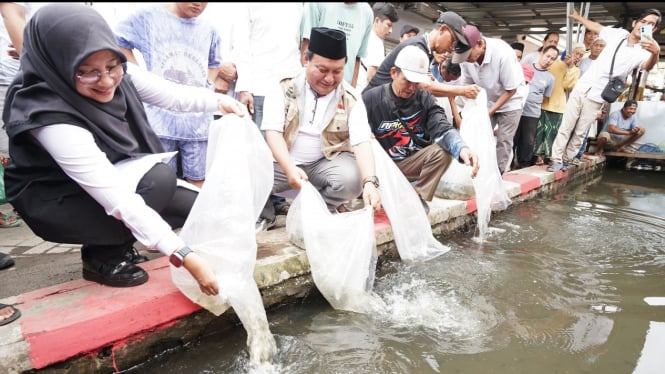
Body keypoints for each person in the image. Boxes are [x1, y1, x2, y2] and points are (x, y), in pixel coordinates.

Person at [2, 4, 248, 291]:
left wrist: (221, 102)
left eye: (111, 67)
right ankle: (102, 257)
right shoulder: (48, 114)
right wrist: (185, 255)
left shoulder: (120, 72)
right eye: (87, 72)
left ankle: (119, 241)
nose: (106, 81)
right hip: (55, 197)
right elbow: (115, 195)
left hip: (102, 178)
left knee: (193, 205)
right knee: (157, 182)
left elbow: (172, 95)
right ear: (58, 63)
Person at [257, 27, 382, 227]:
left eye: (337, 71)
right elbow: (273, 133)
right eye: (322, 70)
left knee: (353, 179)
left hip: (321, 166)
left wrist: (370, 182)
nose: (329, 79)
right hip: (280, 165)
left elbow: (361, 141)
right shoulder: (282, 85)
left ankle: (318, 210)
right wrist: (290, 168)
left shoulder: (350, 98)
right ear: (306, 60)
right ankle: (264, 214)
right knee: (247, 172)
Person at [114, 2, 222, 189]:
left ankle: (194, 217)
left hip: (196, 123)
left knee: (199, 180)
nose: (199, 4)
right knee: (162, 180)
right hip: (160, 119)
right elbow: (118, 40)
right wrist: (139, 76)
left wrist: (207, 85)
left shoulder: (209, 29)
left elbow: (215, 63)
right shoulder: (148, 16)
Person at [362, 46, 479, 213]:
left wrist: (462, 148)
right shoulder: (372, 99)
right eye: (407, 80)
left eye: (416, 82)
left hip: (409, 163)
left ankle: (416, 196)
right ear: (394, 73)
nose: (411, 87)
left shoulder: (425, 99)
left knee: (443, 151)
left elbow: (443, 127)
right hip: (380, 166)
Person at [548, 8, 661, 172]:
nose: (645, 26)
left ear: (654, 29)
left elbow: (647, 67)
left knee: (581, 131)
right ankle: (555, 159)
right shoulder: (619, 34)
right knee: (566, 125)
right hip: (583, 85)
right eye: (643, 21)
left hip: (599, 94)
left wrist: (656, 53)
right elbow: (597, 27)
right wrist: (579, 18)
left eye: (650, 24)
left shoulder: (644, 51)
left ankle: (567, 158)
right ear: (635, 23)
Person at [453, 24, 525, 174]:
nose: (466, 60)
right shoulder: (467, 58)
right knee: (476, 135)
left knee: (503, 140)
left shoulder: (503, 53)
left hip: (510, 101)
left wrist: (490, 111)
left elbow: (511, 89)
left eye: (468, 56)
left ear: (479, 44)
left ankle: (497, 175)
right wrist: (471, 109)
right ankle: (474, 172)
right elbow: (467, 84)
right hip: (486, 100)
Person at [364, 12, 482, 101]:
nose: (452, 47)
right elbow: (425, 86)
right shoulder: (417, 48)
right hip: (374, 105)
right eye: (453, 41)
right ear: (443, 29)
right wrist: (462, 90)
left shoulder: (425, 50)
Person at [300, 3, 373, 88]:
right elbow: (306, 46)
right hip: (313, 87)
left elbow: (357, 57)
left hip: (342, 91)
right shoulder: (316, 4)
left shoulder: (367, 13)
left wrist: (351, 91)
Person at [512, 46, 557, 169]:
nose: (548, 60)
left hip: (532, 113)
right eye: (548, 56)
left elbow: (545, 97)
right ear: (542, 53)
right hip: (515, 109)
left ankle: (523, 166)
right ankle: (508, 165)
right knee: (512, 139)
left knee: (528, 142)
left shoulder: (550, 78)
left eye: (552, 59)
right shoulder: (525, 67)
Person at [358, 2, 398, 91]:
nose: (391, 31)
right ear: (377, 21)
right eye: (388, 25)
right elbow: (371, 76)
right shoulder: (376, 42)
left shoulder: (364, 35)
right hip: (362, 92)